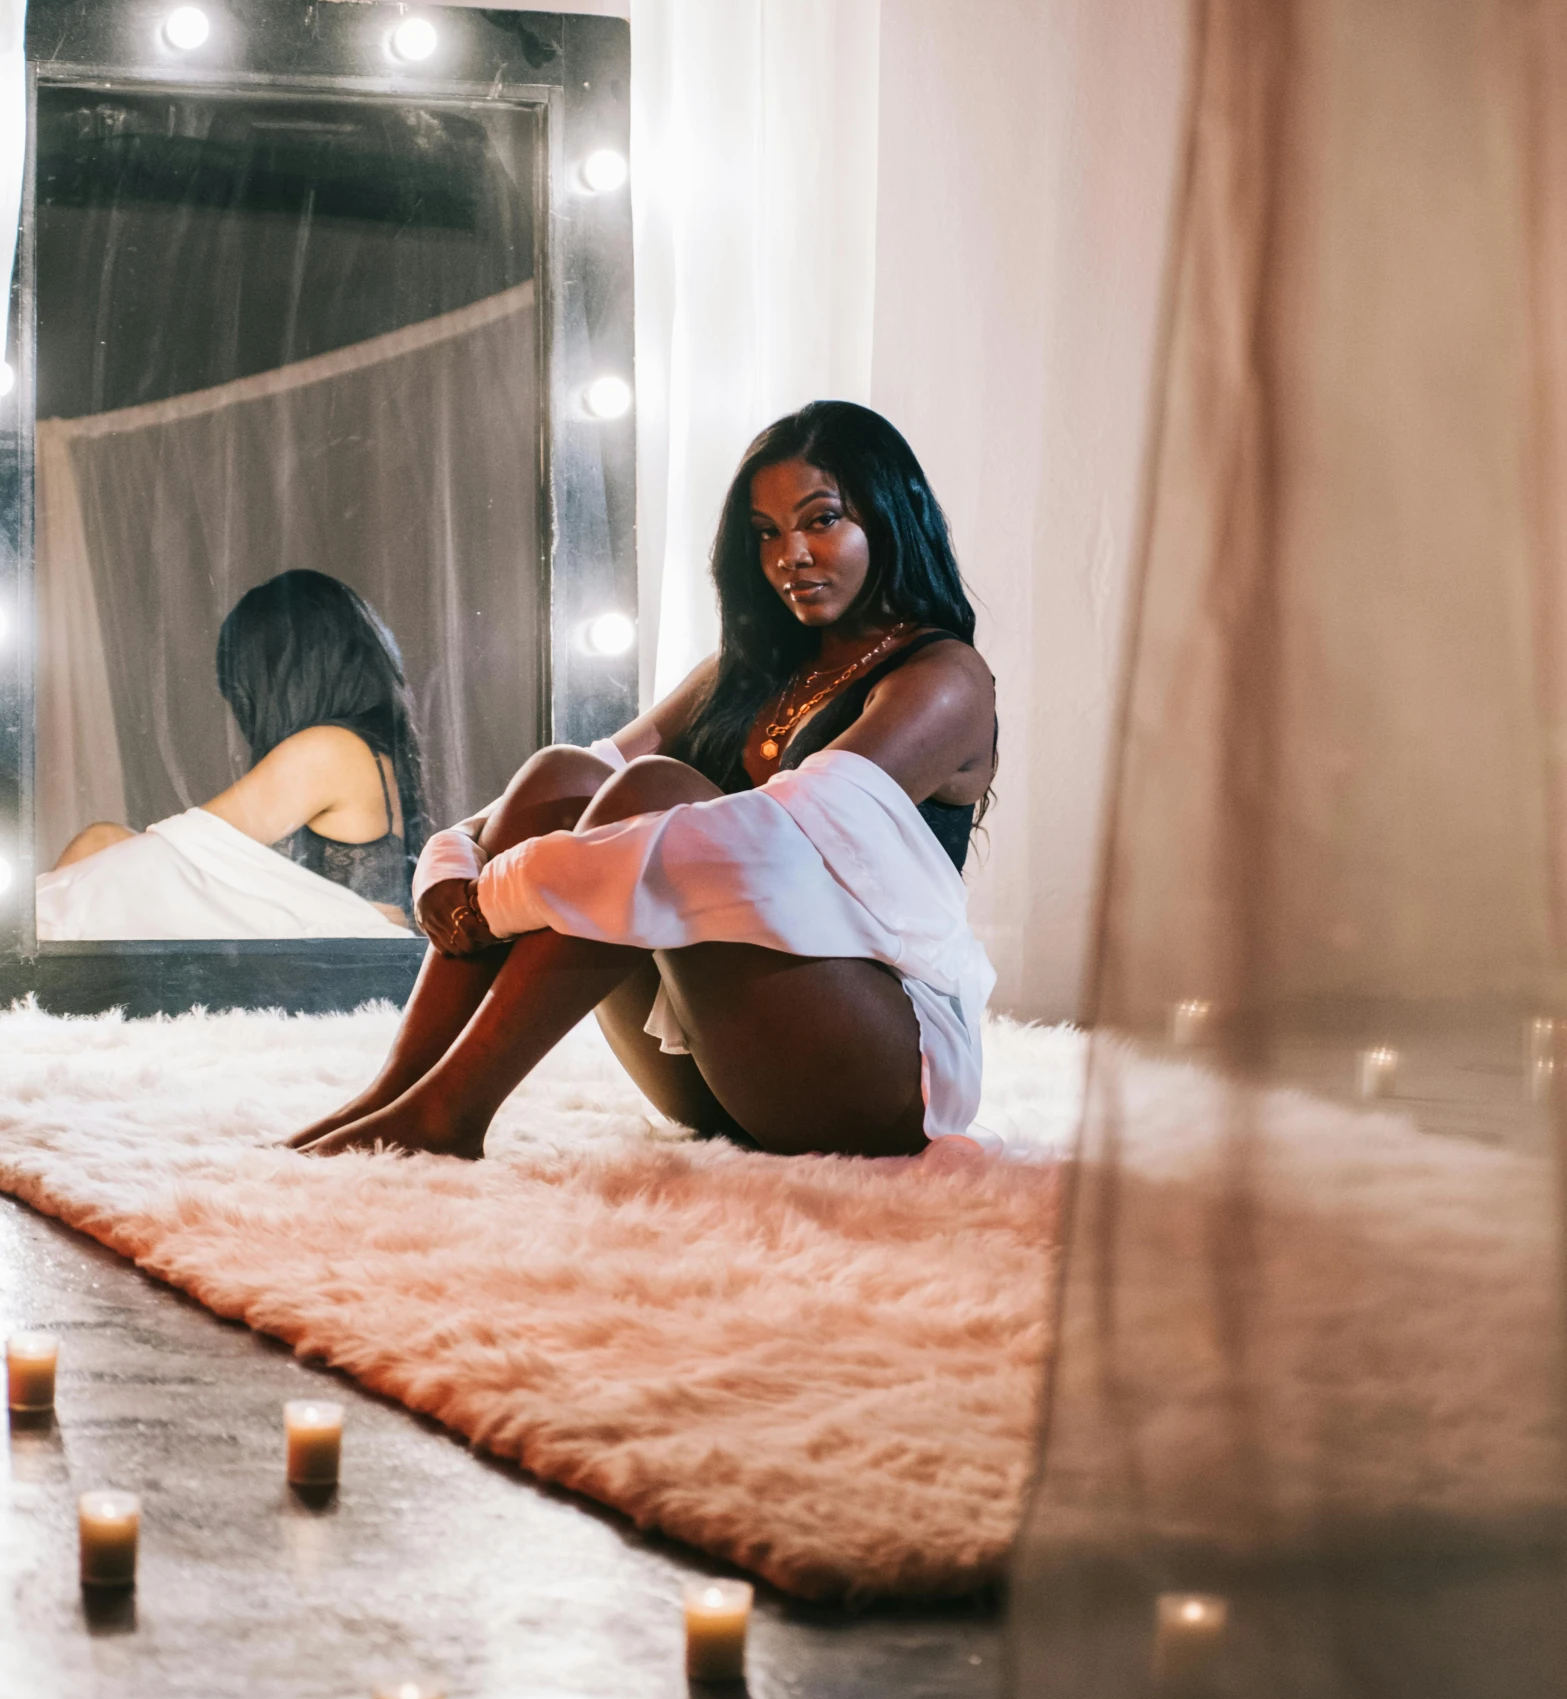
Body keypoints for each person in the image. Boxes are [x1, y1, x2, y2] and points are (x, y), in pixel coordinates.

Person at [291, 402, 997, 1159]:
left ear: (893, 516)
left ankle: (449, 1113)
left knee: (654, 797)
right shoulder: (749, 672)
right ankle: (402, 1087)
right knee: (567, 774)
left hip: (870, 1077)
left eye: (820, 520)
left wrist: (492, 900)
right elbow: (573, 781)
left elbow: (769, 840)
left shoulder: (941, 677)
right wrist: (447, 864)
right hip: (720, 1068)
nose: (789, 554)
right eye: (765, 533)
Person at [42, 571, 429, 936]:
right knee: (106, 848)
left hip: (340, 967)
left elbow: (191, 844)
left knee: (100, 846)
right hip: (326, 956)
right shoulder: (365, 749)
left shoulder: (330, 748)